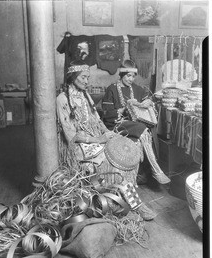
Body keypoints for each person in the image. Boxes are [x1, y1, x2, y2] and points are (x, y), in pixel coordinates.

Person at [57, 60, 156, 221]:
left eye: (87, 77)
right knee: (114, 165)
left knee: (124, 152)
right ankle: (128, 204)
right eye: (83, 77)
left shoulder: (85, 95)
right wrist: (99, 139)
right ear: (73, 76)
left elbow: (98, 120)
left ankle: (131, 202)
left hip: (96, 138)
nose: (86, 81)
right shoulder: (62, 99)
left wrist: (109, 133)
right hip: (80, 146)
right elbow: (71, 136)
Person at [102, 59, 170, 185]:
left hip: (134, 123)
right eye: (128, 75)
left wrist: (147, 103)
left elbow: (148, 100)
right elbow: (106, 114)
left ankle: (146, 173)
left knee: (146, 129)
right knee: (142, 130)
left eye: (133, 76)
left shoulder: (137, 89)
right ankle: (156, 170)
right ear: (122, 74)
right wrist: (124, 108)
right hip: (118, 123)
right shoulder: (111, 89)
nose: (131, 79)